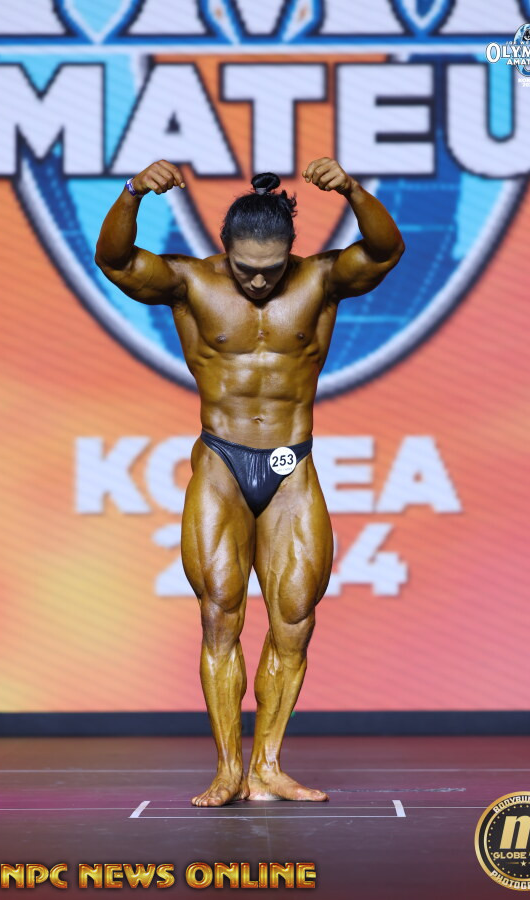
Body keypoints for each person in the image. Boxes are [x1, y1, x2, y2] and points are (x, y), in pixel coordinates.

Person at [95, 158, 405, 807]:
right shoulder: (191, 282)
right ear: (224, 249)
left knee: (294, 618)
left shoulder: (319, 280)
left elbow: (385, 250)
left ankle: (267, 765)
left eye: (270, 269)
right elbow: (116, 261)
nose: (258, 281)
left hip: (291, 464)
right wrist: (131, 194)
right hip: (222, 461)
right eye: (245, 269)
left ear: (291, 251)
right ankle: (227, 769)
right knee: (220, 615)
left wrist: (353, 191)